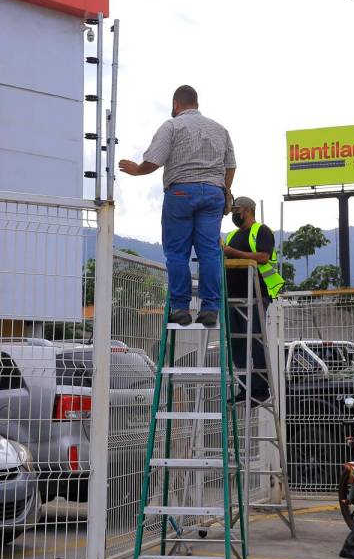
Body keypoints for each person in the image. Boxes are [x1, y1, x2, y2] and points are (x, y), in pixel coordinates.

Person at [119, 86, 235, 327]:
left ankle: (180, 307)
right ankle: (210, 308)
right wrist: (225, 189)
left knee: (177, 253)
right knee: (209, 252)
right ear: (196, 103)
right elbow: (231, 165)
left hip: (181, 191)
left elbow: (154, 160)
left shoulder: (171, 126)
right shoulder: (220, 129)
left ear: (176, 104)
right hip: (213, 193)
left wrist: (137, 170)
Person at [221, 197, 284, 405]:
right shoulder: (231, 236)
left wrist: (232, 253)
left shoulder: (261, 231)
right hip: (233, 296)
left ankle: (259, 388)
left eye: (236, 210)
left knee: (255, 340)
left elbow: (264, 257)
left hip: (256, 294)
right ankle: (244, 388)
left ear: (247, 210)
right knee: (236, 342)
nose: (233, 214)